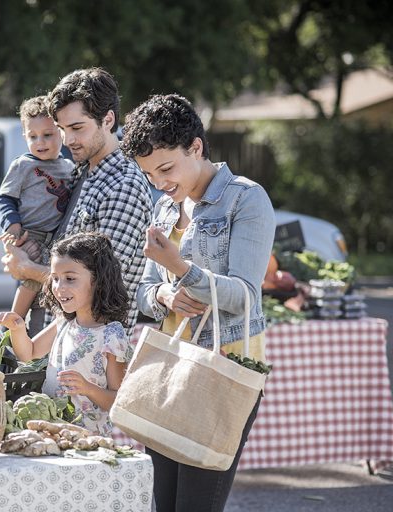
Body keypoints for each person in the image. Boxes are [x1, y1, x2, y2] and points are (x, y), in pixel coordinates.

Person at [121, 93, 275, 512]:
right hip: (171, 366)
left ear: (195, 147)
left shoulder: (246, 199)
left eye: (166, 169)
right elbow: (145, 291)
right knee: (163, 504)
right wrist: (164, 293)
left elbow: (245, 297)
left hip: (222, 367)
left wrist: (181, 268)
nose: (160, 183)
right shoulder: (165, 207)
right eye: (149, 174)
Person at [0, 67, 153, 347]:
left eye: (77, 128)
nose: (68, 140)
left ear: (108, 120)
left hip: (91, 356)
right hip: (55, 340)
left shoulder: (123, 186)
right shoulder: (79, 170)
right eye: (62, 129)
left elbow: (102, 286)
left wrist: (27, 269)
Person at [0, 231, 129, 435]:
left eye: (70, 279)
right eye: (55, 278)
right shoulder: (64, 322)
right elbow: (29, 354)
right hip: (53, 430)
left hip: (87, 439)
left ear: (98, 280)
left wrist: (88, 388)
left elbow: (119, 401)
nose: (59, 287)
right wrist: (17, 328)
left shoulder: (112, 336)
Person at [0, 95, 74, 334]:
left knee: (45, 294)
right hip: (29, 235)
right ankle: (12, 324)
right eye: (33, 136)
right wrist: (13, 226)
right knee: (32, 280)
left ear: (61, 132)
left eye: (48, 135)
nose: (40, 142)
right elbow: (6, 198)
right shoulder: (23, 165)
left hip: (55, 240)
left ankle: (33, 335)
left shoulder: (70, 168)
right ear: (25, 137)